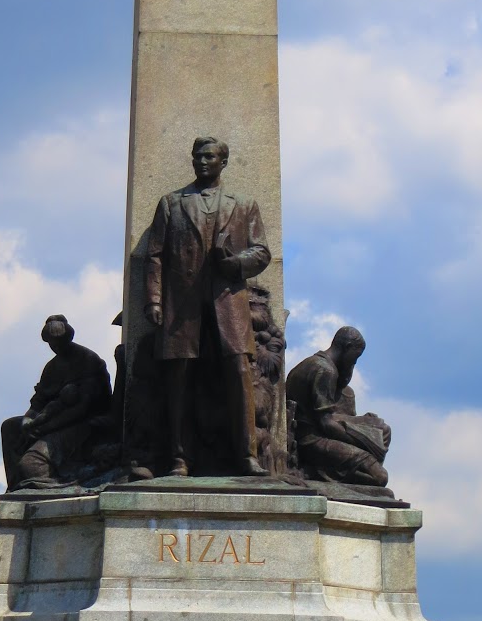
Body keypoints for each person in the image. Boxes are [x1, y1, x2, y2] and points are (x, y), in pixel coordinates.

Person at [144, 136, 271, 476]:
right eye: (197, 156)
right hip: (182, 305)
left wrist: (236, 263)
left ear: (223, 162)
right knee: (180, 378)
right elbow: (154, 255)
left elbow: (261, 251)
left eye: (209, 157)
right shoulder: (171, 203)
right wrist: (154, 299)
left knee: (240, 372)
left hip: (227, 301)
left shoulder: (243, 204)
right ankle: (180, 458)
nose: (202, 162)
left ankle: (248, 456)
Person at [0, 315, 112, 489]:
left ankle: (56, 481)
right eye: (52, 343)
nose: (56, 347)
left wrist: (44, 427)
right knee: (10, 427)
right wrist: (28, 420)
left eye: (60, 341)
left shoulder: (88, 360)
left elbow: (83, 409)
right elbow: (38, 402)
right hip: (52, 419)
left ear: (69, 338)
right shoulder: (52, 367)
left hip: (84, 423)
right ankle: (15, 484)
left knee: (30, 465)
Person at [285, 327, 391, 487]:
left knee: (383, 429)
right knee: (380, 477)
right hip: (311, 441)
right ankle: (312, 472)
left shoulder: (317, 365)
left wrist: (364, 423)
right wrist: (368, 442)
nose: (354, 362)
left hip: (317, 434)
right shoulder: (325, 370)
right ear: (347, 347)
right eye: (355, 357)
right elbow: (326, 423)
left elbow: (333, 411)